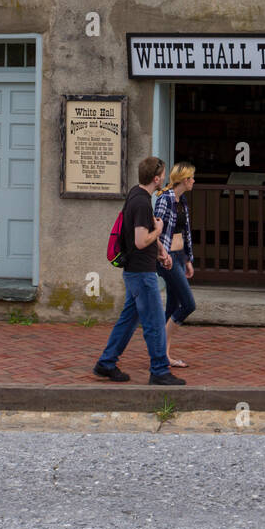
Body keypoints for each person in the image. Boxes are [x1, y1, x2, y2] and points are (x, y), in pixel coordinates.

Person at [92, 156, 185, 386]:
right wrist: (160, 230)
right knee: (153, 322)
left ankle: (106, 363)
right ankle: (159, 371)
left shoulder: (135, 194)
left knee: (128, 320)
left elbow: (143, 233)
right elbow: (141, 240)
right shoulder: (142, 202)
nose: (164, 178)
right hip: (142, 274)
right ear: (156, 178)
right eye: (163, 174)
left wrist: (162, 250)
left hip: (134, 271)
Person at [154, 162, 197, 367]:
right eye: (192, 178)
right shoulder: (166, 199)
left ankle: (162, 354)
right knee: (188, 304)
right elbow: (156, 230)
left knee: (172, 306)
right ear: (184, 179)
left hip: (179, 257)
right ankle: (160, 349)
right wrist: (163, 255)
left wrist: (188, 260)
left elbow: (185, 232)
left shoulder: (182, 201)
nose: (194, 181)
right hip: (168, 258)